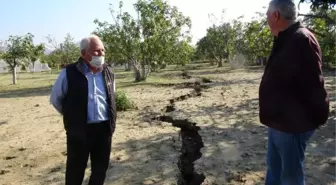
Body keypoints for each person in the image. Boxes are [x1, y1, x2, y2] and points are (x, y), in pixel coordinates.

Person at [259, 0, 329, 184]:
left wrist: (309, 121)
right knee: (274, 170)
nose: (266, 17)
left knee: (290, 177)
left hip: (292, 125)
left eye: (267, 13)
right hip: (278, 122)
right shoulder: (285, 38)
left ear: (275, 15)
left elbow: (314, 85)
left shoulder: (301, 40)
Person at [50, 35, 117, 185]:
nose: (101, 54)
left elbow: (111, 97)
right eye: (96, 51)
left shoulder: (109, 73)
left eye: (103, 50)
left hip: (104, 129)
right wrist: (73, 117)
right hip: (79, 131)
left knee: (100, 170)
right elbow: (56, 100)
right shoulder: (69, 73)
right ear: (83, 53)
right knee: (75, 171)